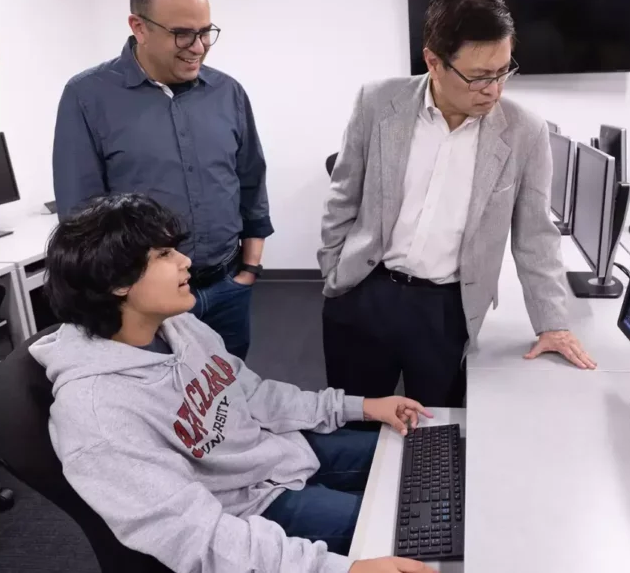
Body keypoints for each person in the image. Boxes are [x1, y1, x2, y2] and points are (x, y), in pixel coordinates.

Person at [35, 193, 436, 573]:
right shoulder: (97, 415)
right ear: (116, 282)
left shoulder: (177, 325)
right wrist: (342, 568)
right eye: (164, 255)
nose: (185, 261)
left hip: (271, 454)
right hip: (246, 514)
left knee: (424, 454)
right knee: (408, 535)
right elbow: (195, 535)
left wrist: (360, 407)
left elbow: (253, 394)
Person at [318, 0, 596, 409]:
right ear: (433, 61)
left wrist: (552, 323)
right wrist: (334, 272)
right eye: (479, 77)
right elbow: (343, 195)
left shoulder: (525, 131)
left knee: (439, 428)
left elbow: (536, 236)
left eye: (504, 72)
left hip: (447, 309)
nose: (494, 90)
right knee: (353, 418)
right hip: (365, 290)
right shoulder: (376, 102)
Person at [52, 0, 270, 359]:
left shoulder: (228, 92)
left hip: (226, 286)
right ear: (139, 27)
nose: (198, 47)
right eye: (182, 34)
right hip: (145, 306)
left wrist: (249, 269)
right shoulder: (87, 96)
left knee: (231, 384)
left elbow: (251, 181)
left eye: (205, 32)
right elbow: (81, 220)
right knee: (159, 393)